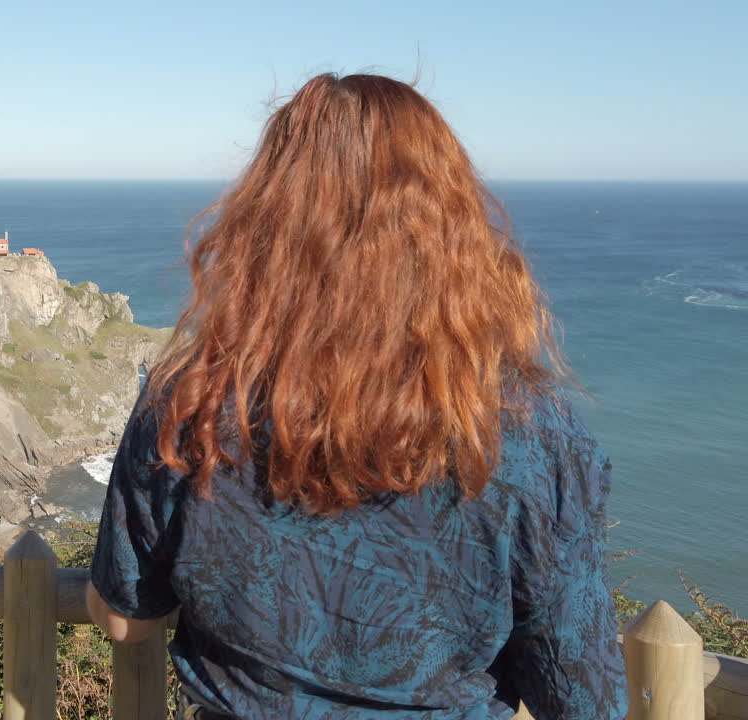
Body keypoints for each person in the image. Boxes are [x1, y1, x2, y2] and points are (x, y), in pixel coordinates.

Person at [85, 73, 627, 719]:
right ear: (451, 226)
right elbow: (580, 693)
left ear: (267, 217)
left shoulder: (191, 401)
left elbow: (125, 620)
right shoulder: (528, 430)